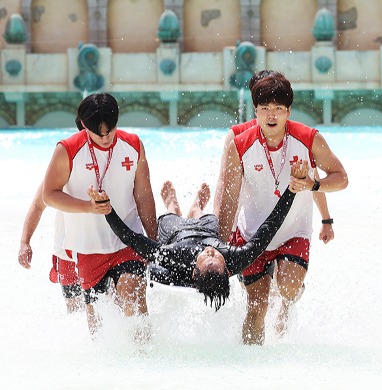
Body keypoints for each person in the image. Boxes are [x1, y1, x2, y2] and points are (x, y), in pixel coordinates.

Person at [216, 73, 348, 345]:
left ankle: (291, 295)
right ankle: (251, 369)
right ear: (255, 111)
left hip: (293, 232)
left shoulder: (309, 138)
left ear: (289, 111)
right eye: (265, 109)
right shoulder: (238, 145)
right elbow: (229, 199)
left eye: (278, 109)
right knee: (257, 307)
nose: (271, 115)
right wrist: (219, 244)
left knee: (287, 289)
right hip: (252, 236)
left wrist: (313, 186)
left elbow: (341, 178)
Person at [87, 162, 306, 311]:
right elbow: (270, 227)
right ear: (226, 267)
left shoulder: (174, 257)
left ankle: (172, 204)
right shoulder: (236, 258)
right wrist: (291, 190)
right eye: (216, 258)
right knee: (211, 222)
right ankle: (197, 208)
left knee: (168, 218)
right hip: (207, 228)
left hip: (176, 233)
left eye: (206, 258)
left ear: (194, 268)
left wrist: (108, 211)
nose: (211, 252)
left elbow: (132, 239)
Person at [42, 93, 157, 339]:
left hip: (128, 240)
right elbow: (48, 195)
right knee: (99, 325)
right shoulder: (67, 150)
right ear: (84, 126)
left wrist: (152, 240)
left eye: (111, 131)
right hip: (88, 247)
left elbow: (144, 196)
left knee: (133, 296)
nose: (105, 138)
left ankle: (146, 358)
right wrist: (89, 207)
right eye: (98, 133)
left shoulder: (134, 144)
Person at [217, 69, 336, 244]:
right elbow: (223, 183)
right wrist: (219, 226)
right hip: (245, 221)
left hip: (285, 225)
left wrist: (326, 219)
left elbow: (312, 176)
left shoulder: (295, 136)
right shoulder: (238, 136)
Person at [18, 182, 84, 313]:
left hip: (103, 249)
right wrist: (24, 242)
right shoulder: (62, 165)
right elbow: (38, 205)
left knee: (109, 306)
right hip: (66, 252)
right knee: (75, 312)